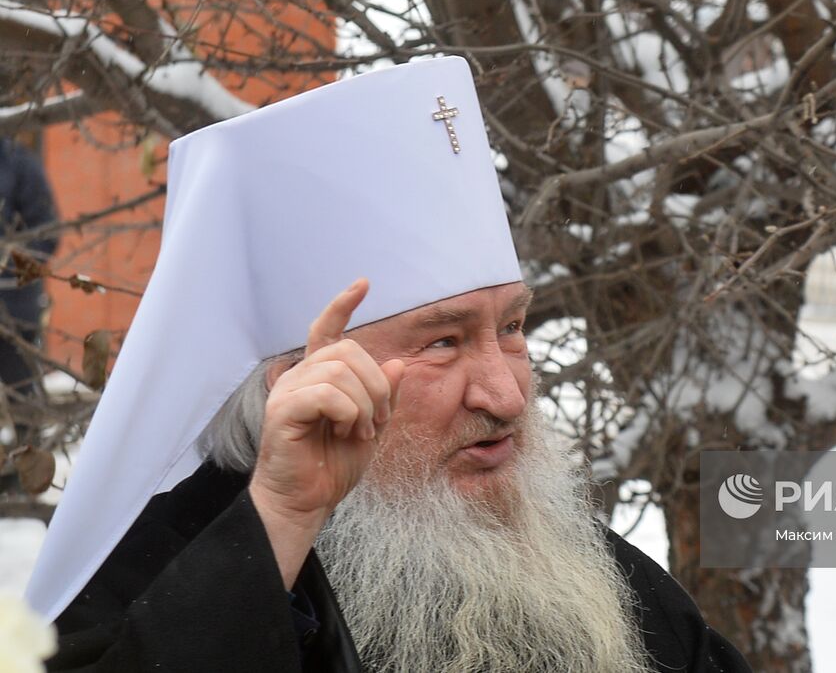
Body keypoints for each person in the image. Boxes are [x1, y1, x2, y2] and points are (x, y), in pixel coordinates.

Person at [26, 58, 750, 672]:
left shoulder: (579, 567)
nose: (504, 393)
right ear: (299, 382)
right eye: (443, 342)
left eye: (513, 326)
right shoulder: (161, 569)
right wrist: (282, 516)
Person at [0, 137, 58, 459]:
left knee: (22, 395)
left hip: (14, 309)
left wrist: (6, 264)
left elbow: (46, 234)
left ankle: (27, 473)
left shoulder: (18, 162)